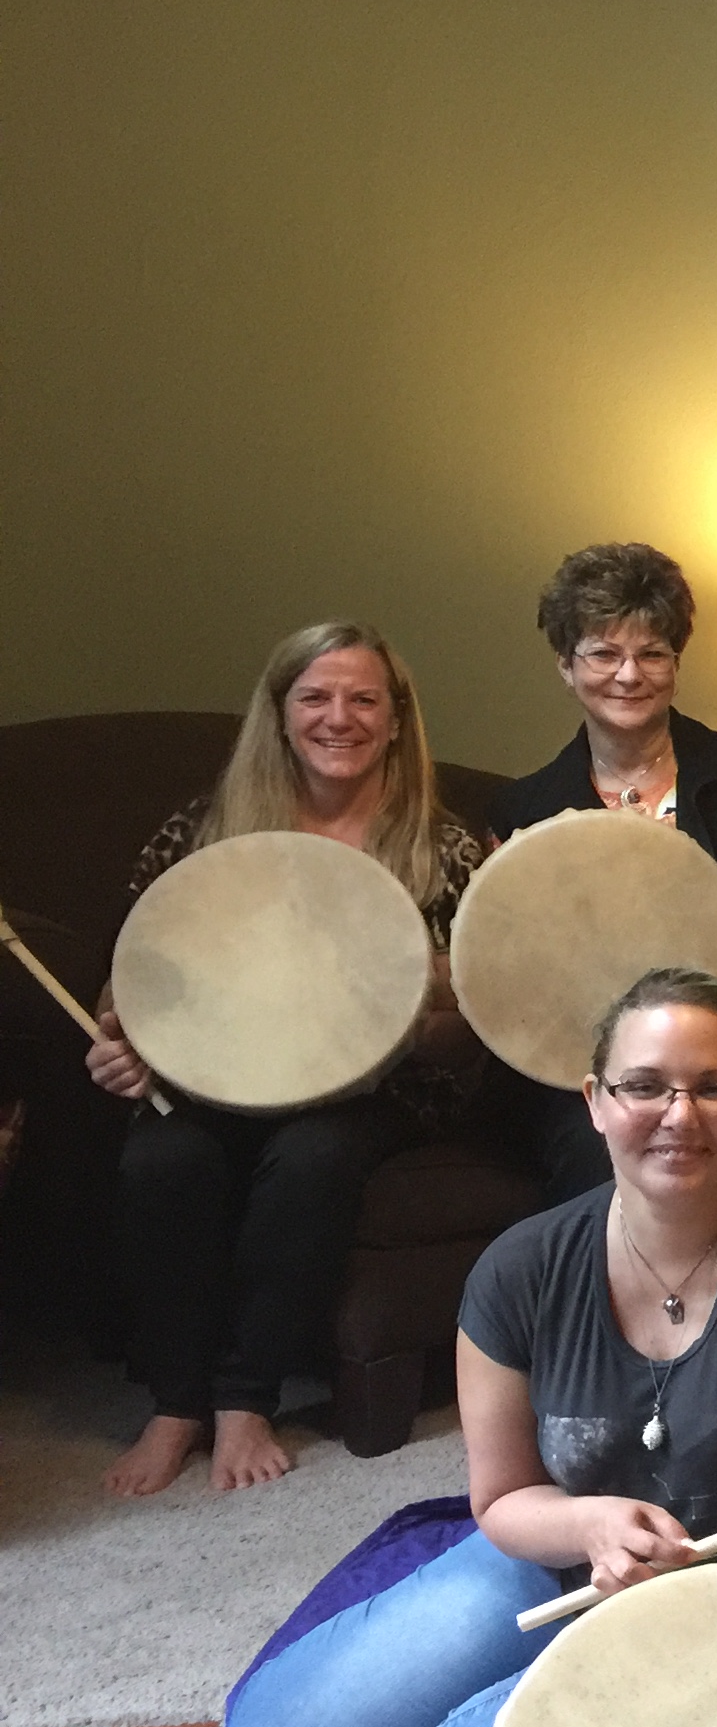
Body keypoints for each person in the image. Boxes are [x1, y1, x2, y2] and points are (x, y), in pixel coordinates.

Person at [218, 969, 717, 1727]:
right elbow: (505, 1499)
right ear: (595, 1100)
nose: (679, 1114)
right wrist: (590, 1526)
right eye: (644, 1087)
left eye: (713, 1087)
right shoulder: (519, 1272)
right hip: (570, 1566)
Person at [90, 623, 485, 1499]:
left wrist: (416, 1004)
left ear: (394, 719)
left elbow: (479, 1025)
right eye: (314, 696)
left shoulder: (445, 850)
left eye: (362, 699)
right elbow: (133, 983)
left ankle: (244, 1398)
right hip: (217, 1079)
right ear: (279, 715)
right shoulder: (205, 834)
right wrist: (119, 1045)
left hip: (378, 1087)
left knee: (316, 1156)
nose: (337, 717)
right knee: (164, 1157)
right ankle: (176, 1403)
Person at [486, 543, 717, 1199]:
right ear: (566, 665)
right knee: (590, 1155)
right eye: (603, 654)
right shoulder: (523, 812)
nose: (629, 675)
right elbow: (509, 965)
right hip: (586, 1063)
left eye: (651, 654)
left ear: (676, 663)